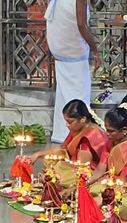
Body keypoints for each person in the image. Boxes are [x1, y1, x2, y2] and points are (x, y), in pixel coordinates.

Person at [45, 0, 99, 144]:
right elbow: (81, 25)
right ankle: (78, 136)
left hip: (61, 51)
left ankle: (62, 134)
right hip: (73, 52)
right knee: (79, 94)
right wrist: (95, 50)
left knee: (64, 94)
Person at [30, 100, 110, 187]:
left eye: (70, 122)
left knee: (55, 172)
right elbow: (61, 148)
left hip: (88, 173)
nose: (67, 125)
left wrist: (58, 167)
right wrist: (38, 154)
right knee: (50, 161)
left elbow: (82, 166)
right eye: (66, 121)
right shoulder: (77, 129)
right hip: (73, 166)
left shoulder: (90, 135)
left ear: (83, 119)